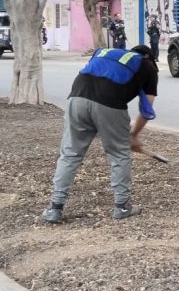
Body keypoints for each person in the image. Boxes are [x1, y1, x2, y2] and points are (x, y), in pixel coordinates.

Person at [41, 45, 158, 224]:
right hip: (109, 104)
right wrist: (133, 136)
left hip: (76, 98)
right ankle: (122, 206)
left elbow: (93, 76)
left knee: (70, 153)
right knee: (119, 154)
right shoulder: (147, 66)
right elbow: (146, 109)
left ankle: (54, 208)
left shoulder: (106, 53)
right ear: (149, 57)